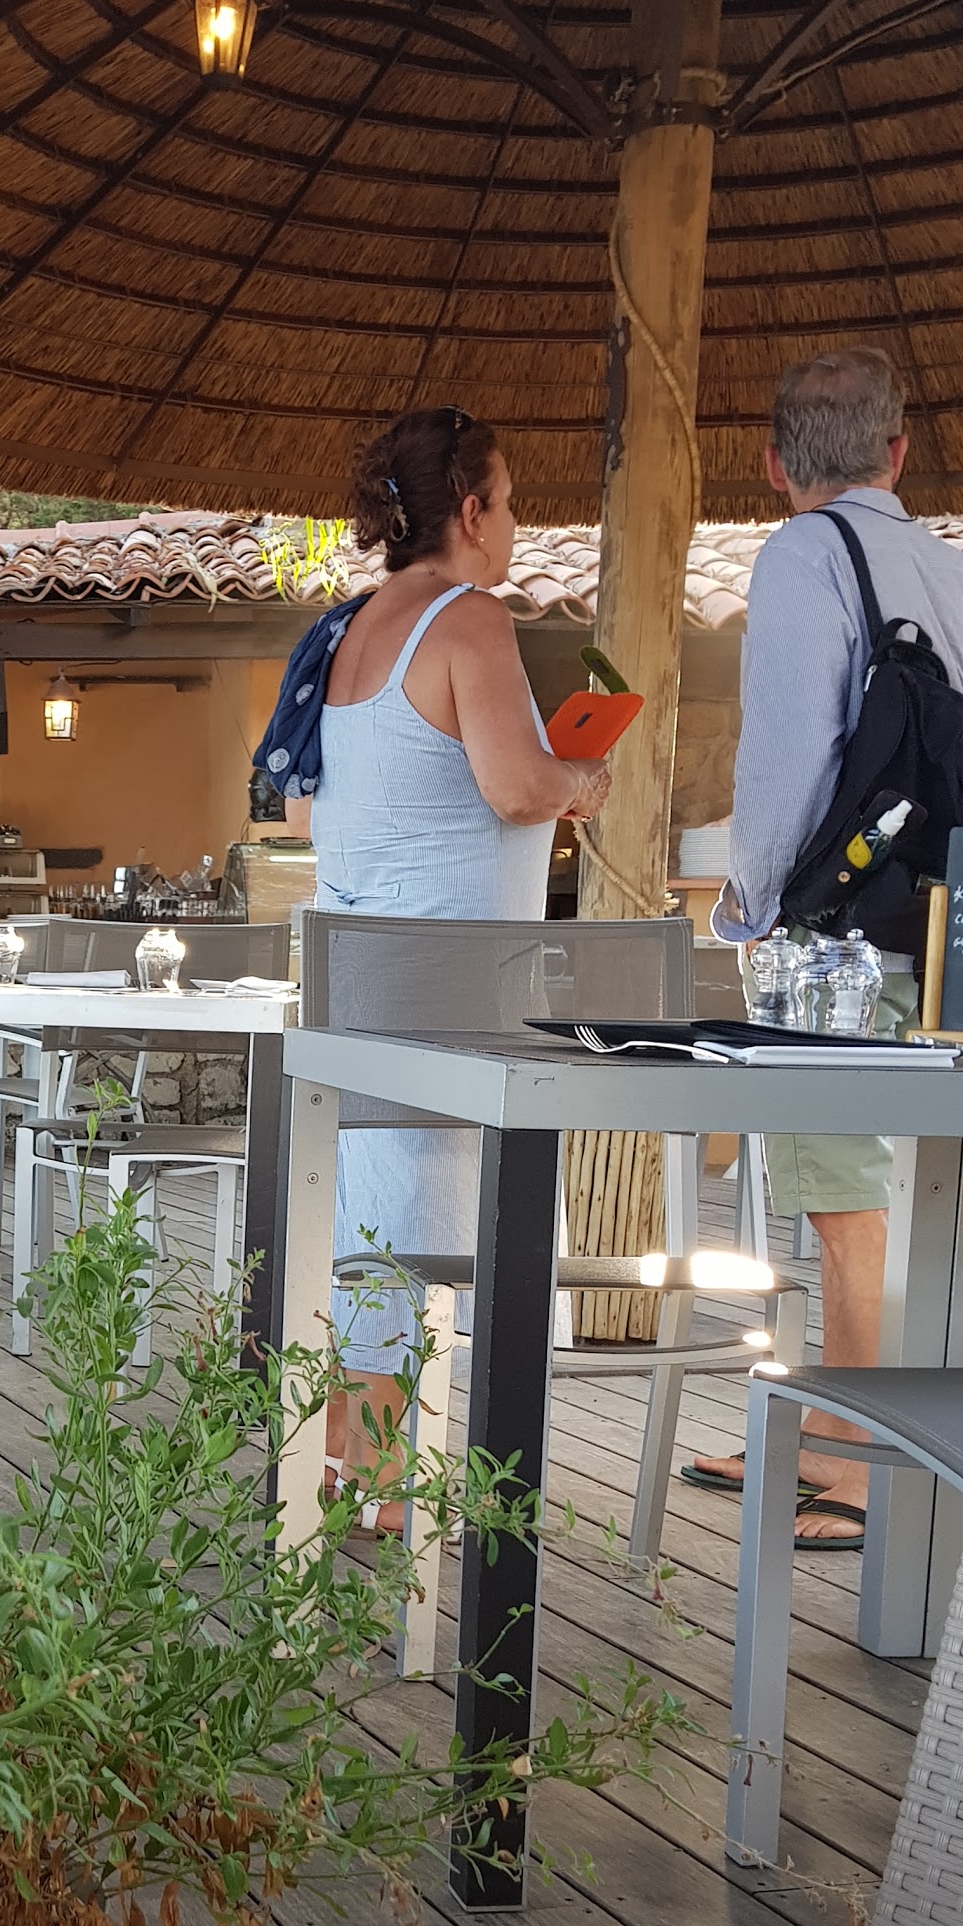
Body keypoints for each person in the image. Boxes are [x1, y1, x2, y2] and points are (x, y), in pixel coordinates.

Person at [279, 405, 610, 1526]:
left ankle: (340, 1455)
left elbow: (307, 800)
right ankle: (378, 1476)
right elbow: (515, 788)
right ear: (469, 509)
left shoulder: (347, 628)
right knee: (417, 1221)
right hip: (452, 980)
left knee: (371, 1210)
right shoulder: (469, 619)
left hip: (360, 965)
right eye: (508, 502)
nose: (514, 523)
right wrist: (578, 778)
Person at [707, 347, 963, 1547]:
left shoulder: (804, 555)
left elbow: (788, 757)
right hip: (941, 925)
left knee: (847, 1203)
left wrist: (749, 901)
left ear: (772, 465)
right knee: (891, 1193)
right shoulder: (946, 565)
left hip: (839, 934)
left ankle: (861, 1465)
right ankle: (830, 1432)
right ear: (898, 452)